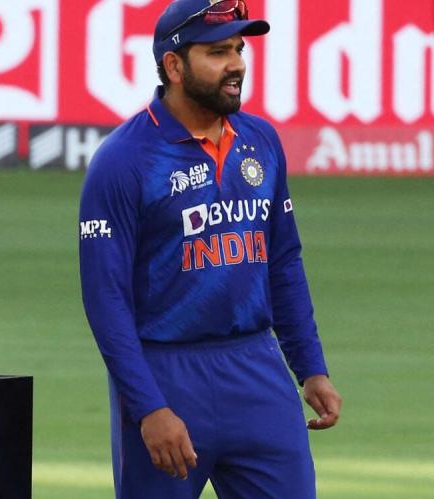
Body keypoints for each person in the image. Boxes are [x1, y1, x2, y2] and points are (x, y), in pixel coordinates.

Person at [78, 1, 342, 497]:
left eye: (239, 50)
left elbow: (283, 262)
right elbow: (105, 298)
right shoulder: (123, 160)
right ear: (174, 65)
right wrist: (148, 408)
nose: (237, 64)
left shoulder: (261, 140)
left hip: (258, 372)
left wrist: (310, 367)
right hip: (166, 377)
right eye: (218, 52)